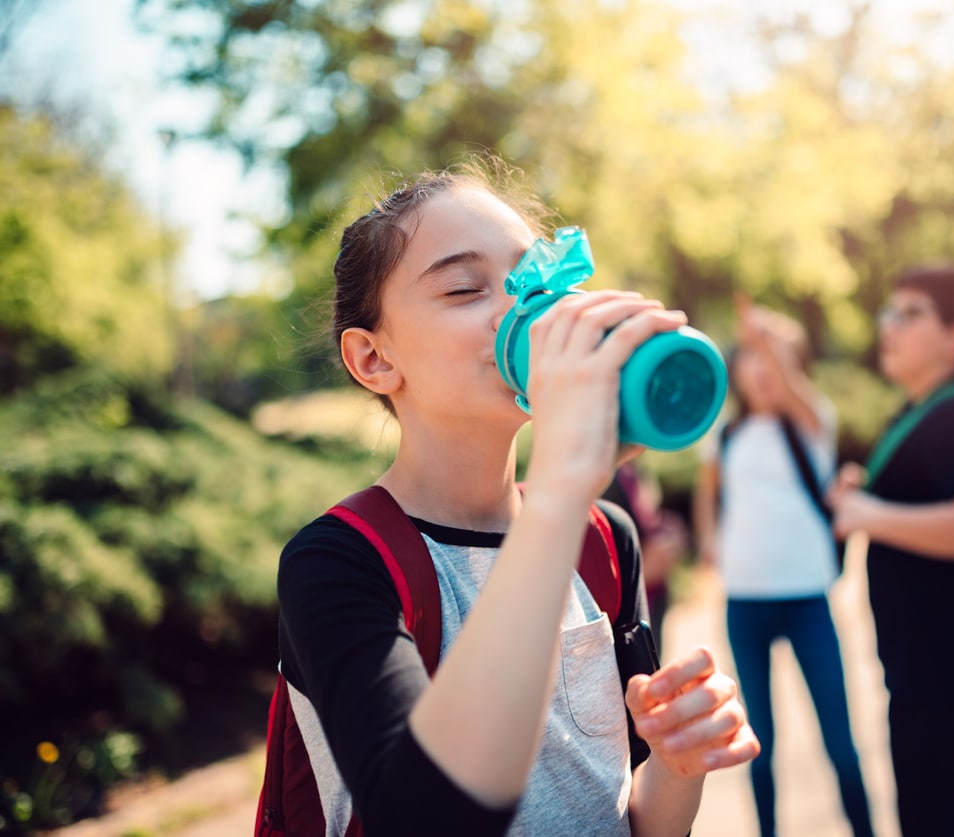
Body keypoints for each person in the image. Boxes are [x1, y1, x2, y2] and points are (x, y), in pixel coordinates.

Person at [276, 157, 759, 836]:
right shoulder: (337, 561)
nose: (526, 311)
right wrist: (562, 486)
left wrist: (679, 764)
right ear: (374, 359)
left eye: (536, 280)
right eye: (467, 288)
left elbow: (637, 818)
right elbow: (432, 817)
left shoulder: (602, 536)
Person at [827, 264, 954, 837]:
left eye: (911, 313)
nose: (890, 325)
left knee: (929, 823)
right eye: (891, 311)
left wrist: (869, 515)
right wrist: (868, 494)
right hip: (927, 670)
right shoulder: (922, 412)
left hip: (947, 672)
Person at [692, 294, 874, 837]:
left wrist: (764, 336)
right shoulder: (724, 434)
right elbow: (708, 494)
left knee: (839, 743)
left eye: (774, 356)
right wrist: (709, 543)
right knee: (760, 746)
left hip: (806, 600)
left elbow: (789, 380)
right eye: (750, 355)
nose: (762, 366)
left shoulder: (813, 421)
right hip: (744, 601)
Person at [601, 461, 689, 660]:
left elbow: (646, 518)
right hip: (626, 616)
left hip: (652, 600)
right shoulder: (605, 476)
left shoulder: (633, 470)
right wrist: (641, 568)